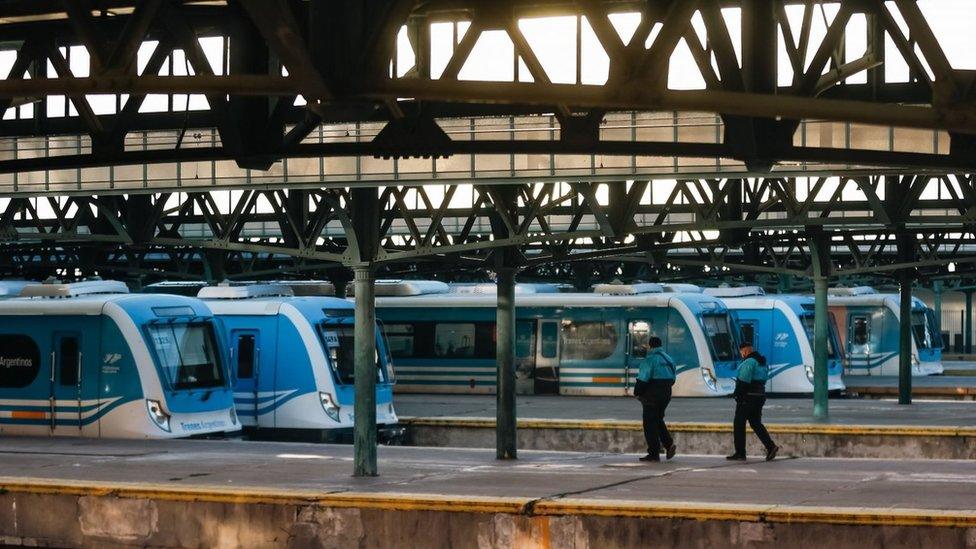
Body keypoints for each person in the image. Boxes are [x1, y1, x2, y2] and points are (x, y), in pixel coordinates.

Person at [727, 342, 780, 461]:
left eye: (741, 352)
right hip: (760, 396)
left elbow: (743, 381)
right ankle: (771, 446)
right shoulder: (761, 362)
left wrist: (737, 396)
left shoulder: (748, 362)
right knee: (756, 423)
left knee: (739, 423)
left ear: (745, 351)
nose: (741, 355)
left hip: (748, 398)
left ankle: (740, 453)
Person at [633, 336, 677, 462]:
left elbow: (643, 379)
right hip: (666, 393)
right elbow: (673, 378)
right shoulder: (668, 359)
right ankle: (668, 444)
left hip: (652, 395)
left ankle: (654, 453)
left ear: (650, 346)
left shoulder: (650, 360)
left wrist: (637, 392)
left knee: (649, 423)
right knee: (657, 419)